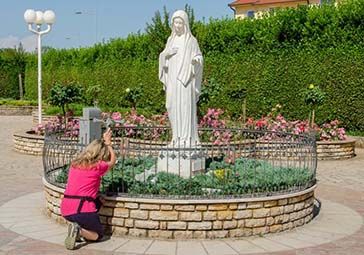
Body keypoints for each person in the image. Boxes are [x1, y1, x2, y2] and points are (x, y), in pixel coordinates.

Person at [60, 128, 116, 250]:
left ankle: (78, 229)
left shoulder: (75, 164)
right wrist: (108, 144)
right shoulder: (98, 166)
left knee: (97, 201)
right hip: (83, 209)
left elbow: (82, 184)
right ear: (101, 154)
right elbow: (112, 161)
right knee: (98, 235)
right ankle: (79, 231)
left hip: (66, 209)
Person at [159, 10, 203, 147]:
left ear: (185, 24)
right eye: (175, 22)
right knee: (170, 106)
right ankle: (175, 137)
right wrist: (166, 54)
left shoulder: (191, 40)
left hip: (185, 80)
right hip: (172, 79)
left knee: (184, 108)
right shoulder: (170, 40)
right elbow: (162, 56)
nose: (177, 25)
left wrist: (196, 61)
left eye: (180, 22)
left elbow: (199, 56)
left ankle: (186, 139)